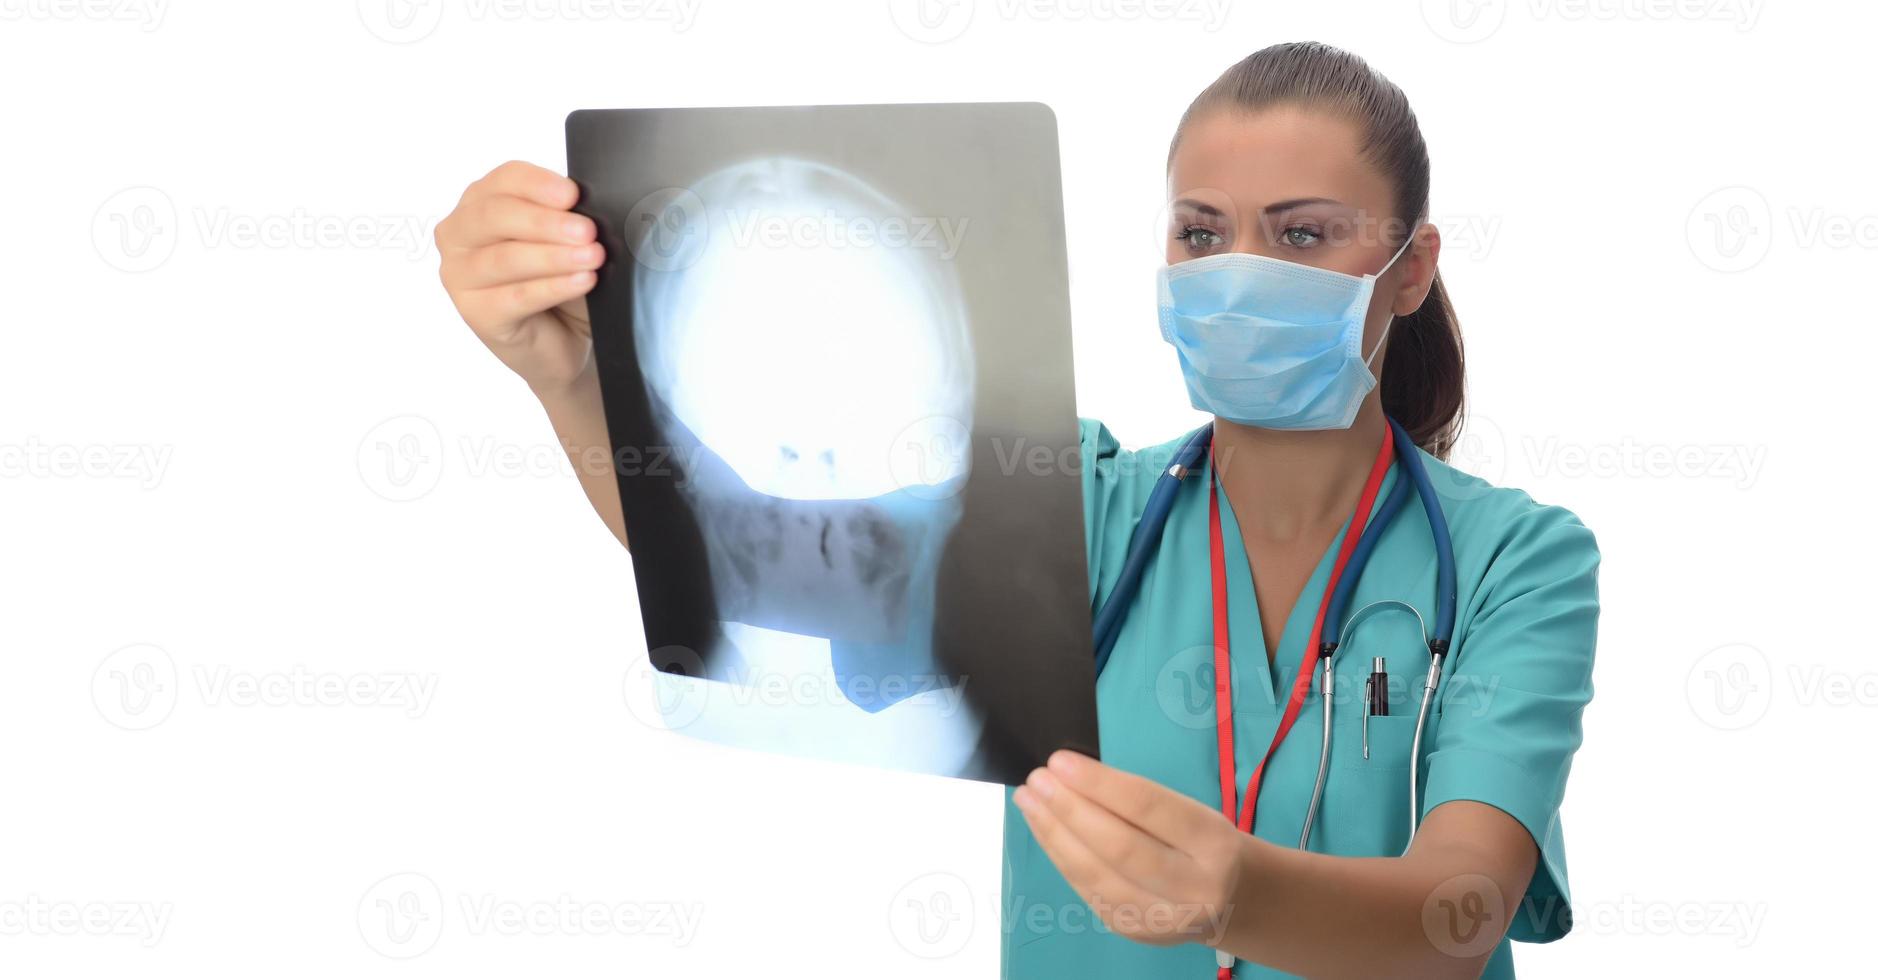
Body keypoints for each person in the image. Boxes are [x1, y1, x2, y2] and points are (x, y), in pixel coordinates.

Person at [434, 40, 1599, 980]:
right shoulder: (1074, 498)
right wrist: (567, 376)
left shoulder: (1514, 558)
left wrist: (1241, 897)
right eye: (1201, 231)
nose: (1235, 271)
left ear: (1408, 264)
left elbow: (1461, 909)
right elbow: (733, 559)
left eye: (1300, 234)